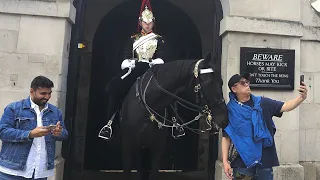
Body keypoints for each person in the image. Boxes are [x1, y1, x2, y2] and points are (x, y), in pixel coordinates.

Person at [99, 0, 166, 140]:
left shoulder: (159, 40)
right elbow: (124, 57)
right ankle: (109, 123)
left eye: (150, 22)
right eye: (145, 22)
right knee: (116, 88)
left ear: (153, 23)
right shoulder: (131, 40)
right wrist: (132, 62)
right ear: (140, 22)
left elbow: (162, 57)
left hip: (152, 69)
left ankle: (175, 123)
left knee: (170, 87)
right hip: (134, 69)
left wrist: (153, 62)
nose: (147, 25)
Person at [222, 73, 307, 180]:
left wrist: (301, 98)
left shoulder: (262, 103)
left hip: (265, 162)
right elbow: (226, 136)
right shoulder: (230, 110)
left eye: (248, 82)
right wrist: (225, 161)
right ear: (234, 89)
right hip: (242, 163)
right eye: (243, 83)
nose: (247, 85)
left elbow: (285, 106)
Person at [0, 76, 68, 180]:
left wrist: (59, 132)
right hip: (12, 171)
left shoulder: (55, 112)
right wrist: (30, 134)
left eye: (49, 93)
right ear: (32, 91)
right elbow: (3, 132)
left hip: (40, 172)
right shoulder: (14, 108)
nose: (47, 97)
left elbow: (65, 134)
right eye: (43, 93)